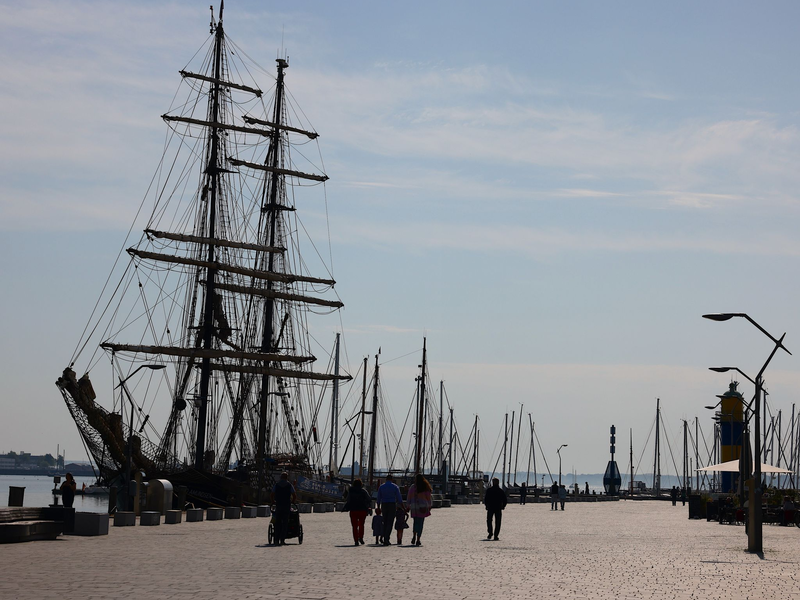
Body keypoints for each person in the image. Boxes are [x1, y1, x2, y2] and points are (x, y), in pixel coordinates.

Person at [342, 478, 372, 546]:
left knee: (354, 526)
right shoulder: (363, 491)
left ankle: (356, 540)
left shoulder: (351, 491)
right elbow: (369, 499)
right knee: (361, 525)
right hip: (362, 510)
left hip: (353, 510)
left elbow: (348, 500)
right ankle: (361, 537)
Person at [376, 474, 403, 545]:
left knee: (385, 521)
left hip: (384, 505)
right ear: (392, 479)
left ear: (386, 479)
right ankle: (386, 538)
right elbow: (399, 499)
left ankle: (384, 536)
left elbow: (378, 498)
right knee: (390, 522)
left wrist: (378, 507)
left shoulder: (381, 487)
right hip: (392, 505)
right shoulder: (395, 487)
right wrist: (403, 507)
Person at [407, 473, 432, 546]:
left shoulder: (412, 487)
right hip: (422, 507)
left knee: (415, 522)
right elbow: (428, 497)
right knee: (421, 523)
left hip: (414, 507)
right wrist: (429, 506)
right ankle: (418, 539)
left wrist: (408, 506)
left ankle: (414, 535)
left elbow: (409, 496)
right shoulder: (425, 487)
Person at [272, 472, 296, 545]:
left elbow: (272, 494)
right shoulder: (289, 485)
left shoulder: (277, 485)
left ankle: (276, 539)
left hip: (279, 505)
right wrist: (292, 501)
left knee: (278, 522)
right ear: (287, 477)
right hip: (286, 505)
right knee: (285, 523)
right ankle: (282, 539)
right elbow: (294, 495)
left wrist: (273, 501)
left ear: (281, 477)